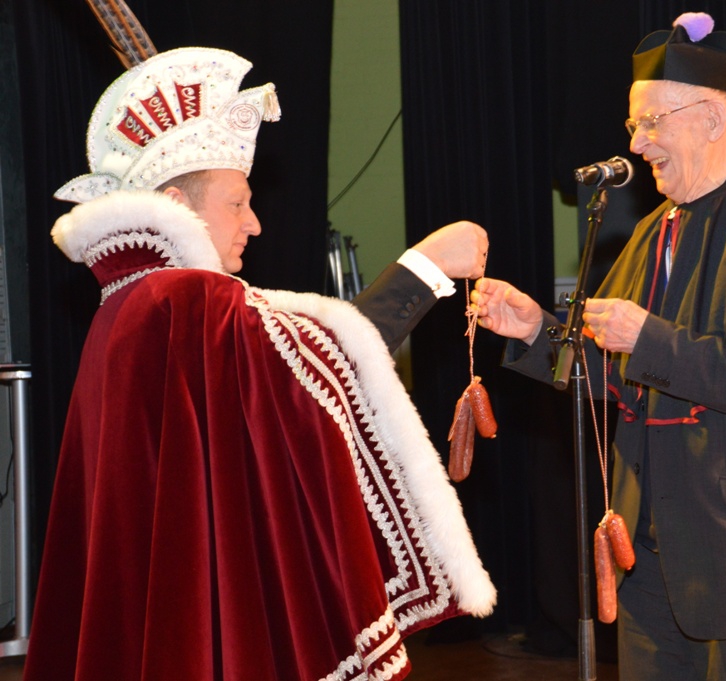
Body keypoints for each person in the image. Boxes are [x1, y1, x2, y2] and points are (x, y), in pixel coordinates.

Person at [23, 44, 496, 681]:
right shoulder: (184, 299)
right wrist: (425, 268)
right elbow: (310, 372)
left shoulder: (129, 303)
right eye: (236, 203)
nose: (254, 224)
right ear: (177, 204)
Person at [471, 12, 726, 681]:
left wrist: (651, 339)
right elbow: (613, 373)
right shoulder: (651, 233)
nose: (636, 142)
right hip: (651, 557)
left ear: (710, 118)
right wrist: (535, 328)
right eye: (632, 125)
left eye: (651, 122)